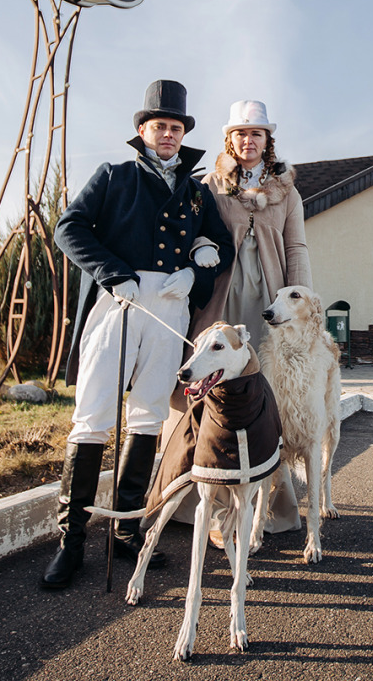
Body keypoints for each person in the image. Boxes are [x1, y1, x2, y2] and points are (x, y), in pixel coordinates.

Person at [42, 80, 234, 591]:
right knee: (94, 416)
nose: (168, 134)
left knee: (147, 417)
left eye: (176, 127)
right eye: (160, 126)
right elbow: (69, 228)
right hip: (119, 300)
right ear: (143, 131)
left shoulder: (196, 192)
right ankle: (72, 542)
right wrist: (111, 270)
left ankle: (126, 532)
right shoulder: (115, 175)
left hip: (170, 306)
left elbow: (223, 245)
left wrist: (197, 272)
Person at [188, 98, 312, 535]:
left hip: (270, 301)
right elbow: (195, 232)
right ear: (230, 139)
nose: (248, 140)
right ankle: (214, 509)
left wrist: (299, 308)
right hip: (222, 298)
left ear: (267, 140)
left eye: (256, 133)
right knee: (216, 392)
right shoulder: (209, 184)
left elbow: (296, 248)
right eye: (240, 133)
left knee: (264, 395)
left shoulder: (288, 191)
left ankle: (270, 509)